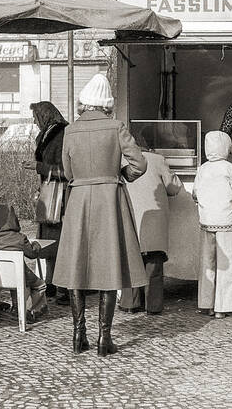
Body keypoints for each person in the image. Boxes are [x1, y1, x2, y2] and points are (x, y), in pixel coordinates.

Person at [52, 74, 148, 356]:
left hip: (80, 198)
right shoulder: (116, 127)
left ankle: (78, 333)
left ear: (84, 102)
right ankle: (104, 338)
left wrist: (84, 179)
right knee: (109, 266)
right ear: (107, 103)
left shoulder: (71, 130)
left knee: (76, 266)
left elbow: (67, 172)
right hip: (109, 198)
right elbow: (139, 164)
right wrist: (120, 174)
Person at [118, 132, 183, 315]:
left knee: (131, 262)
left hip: (130, 217)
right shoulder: (157, 159)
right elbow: (173, 188)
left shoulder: (121, 162)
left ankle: (129, 304)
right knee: (154, 264)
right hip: (154, 219)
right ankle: (153, 306)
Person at [192, 130, 232, 319]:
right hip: (226, 221)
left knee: (207, 264)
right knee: (226, 263)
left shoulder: (202, 168)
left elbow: (195, 194)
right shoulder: (231, 168)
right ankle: (222, 308)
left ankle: (205, 304)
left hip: (207, 221)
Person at [22, 101, 70, 305]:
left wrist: (39, 167)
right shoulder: (48, 133)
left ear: (44, 116)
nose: (34, 121)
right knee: (49, 241)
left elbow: (64, 168)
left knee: (58, 242)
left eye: (35, 117)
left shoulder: (61, 134)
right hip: (49, 192)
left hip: (60, 196)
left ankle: (62, 287)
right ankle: (51, 282)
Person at [0, 204, 48, 322]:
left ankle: (15, 307)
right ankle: (29, 310)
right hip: (18, 276)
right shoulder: (20, 238)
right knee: (40, 285)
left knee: (13, 279)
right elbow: (32, 255)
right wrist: (36, 245)